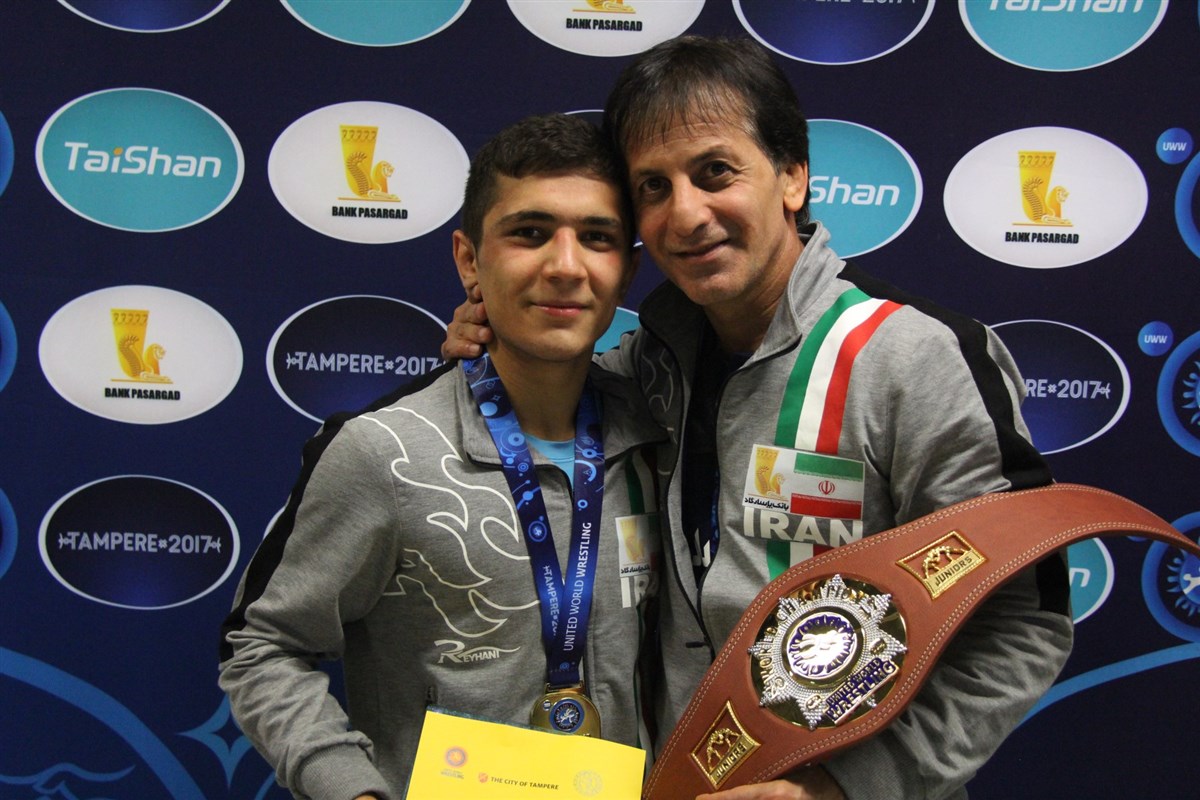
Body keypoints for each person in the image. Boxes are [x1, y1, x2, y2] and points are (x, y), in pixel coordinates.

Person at [443, 36, 1073, 800]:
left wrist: (846, 787)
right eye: (653, 187)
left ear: (793, 176)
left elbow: (1019, 622)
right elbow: (533, 412)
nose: (686, 214)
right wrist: (497, 338)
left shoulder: (916, 357)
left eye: (715, 172)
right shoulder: (643, 365)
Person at [219, 113, 664, 800]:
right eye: (530, 233)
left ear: (627, 269)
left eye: (597, 238)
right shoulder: (382, 452)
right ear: (468, 259)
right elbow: (261, 645)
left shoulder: (662, 437)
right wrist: (353, 791)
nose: (566, 266)